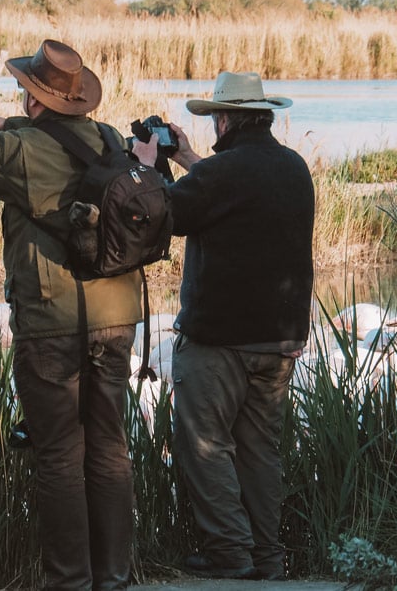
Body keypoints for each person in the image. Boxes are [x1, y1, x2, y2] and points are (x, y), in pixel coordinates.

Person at [0, 39, 142, 590]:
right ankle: (113, 577)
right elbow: (48, 140)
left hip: (51, 320)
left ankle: (69, 581)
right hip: (116, 316)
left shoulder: (20, 153)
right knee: (110, 449)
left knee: (60, 454)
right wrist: (3, 123)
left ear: (35, 99)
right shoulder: (109, 139)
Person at [131, 71, 315, 581]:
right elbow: (225, 190)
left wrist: (148, 168)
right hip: (279, 338)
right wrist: (186, 158)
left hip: (220, 339)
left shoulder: (223, 174)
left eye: (215, 117)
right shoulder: (293, 167)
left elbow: (167, 212)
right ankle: (268, 557)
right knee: (260, 450)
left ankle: (229, 553)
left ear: (227, 118)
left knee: (203, 443)